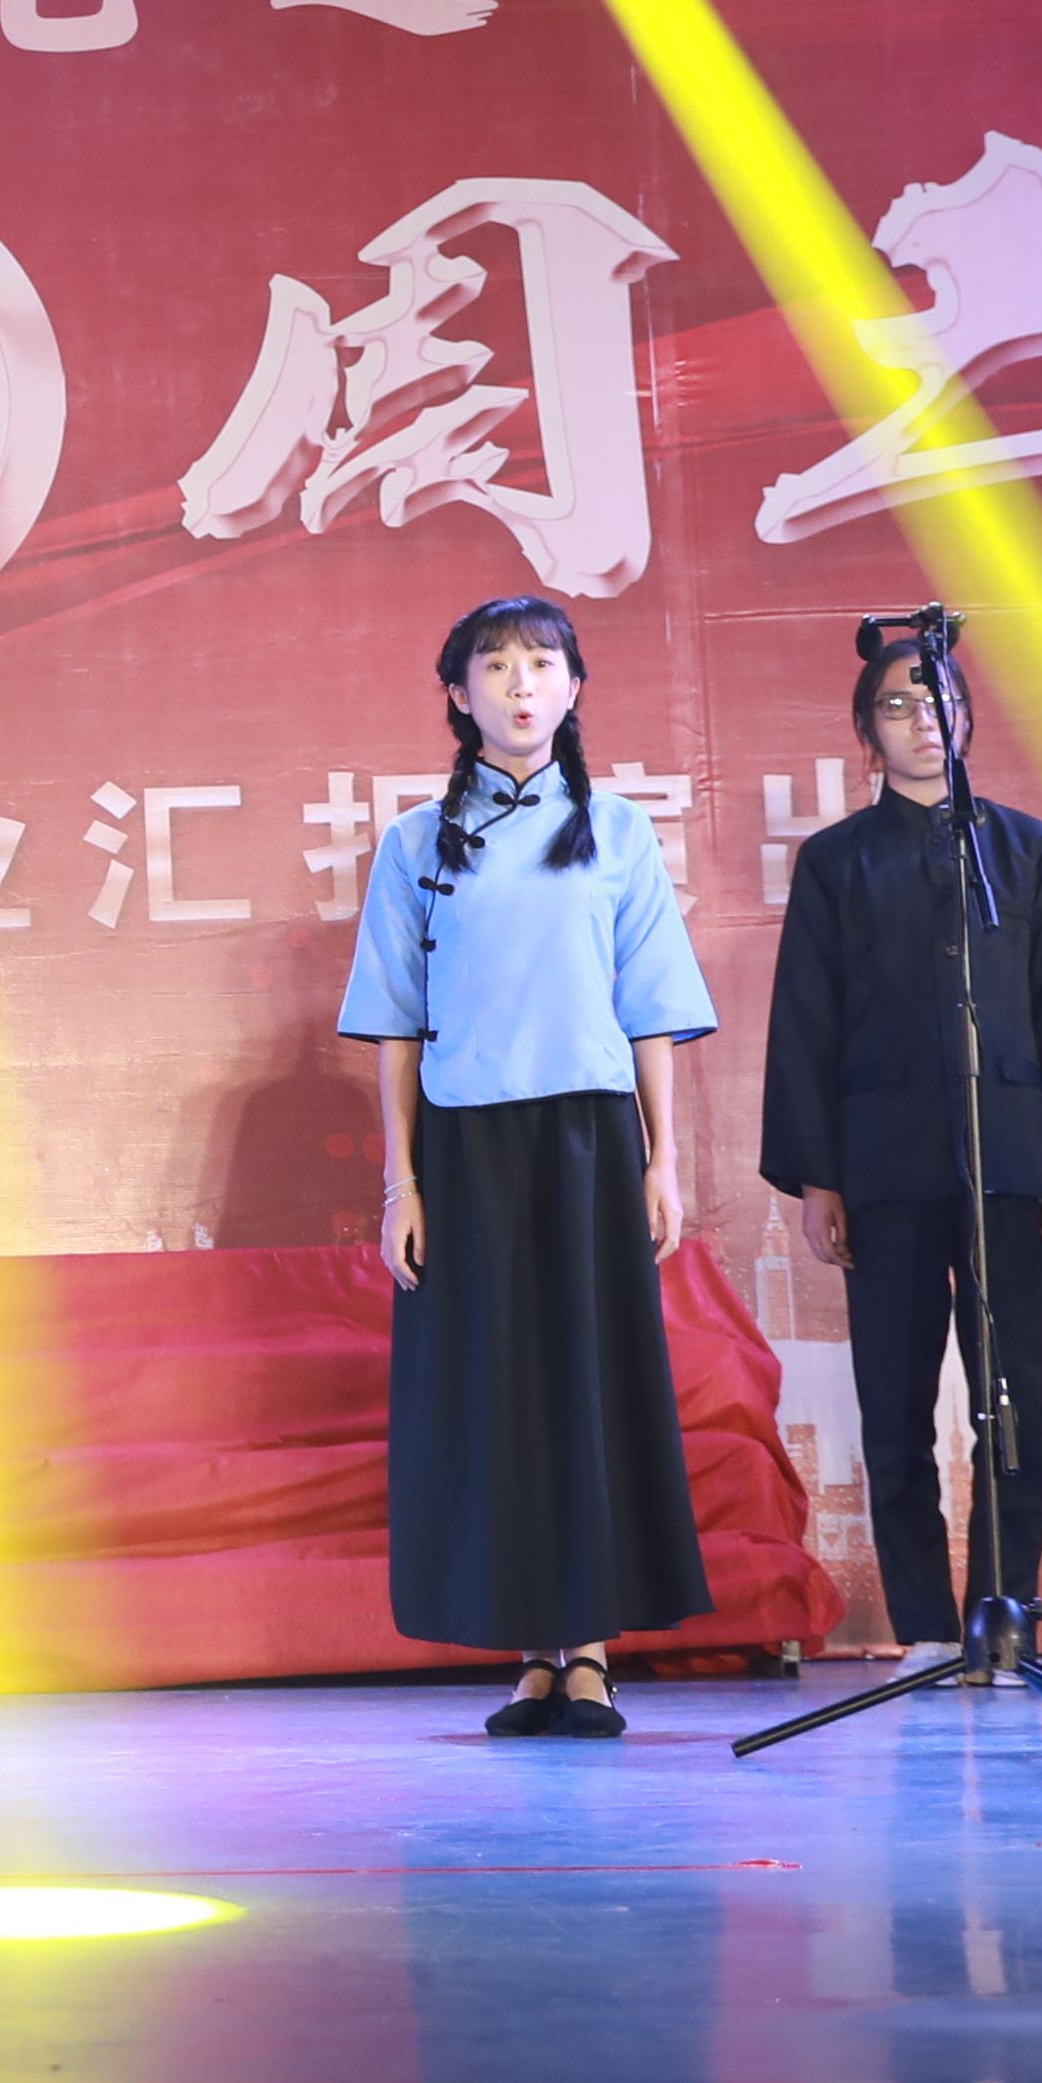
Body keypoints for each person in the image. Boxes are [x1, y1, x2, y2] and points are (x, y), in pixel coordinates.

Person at [344, 592, 719, 1741]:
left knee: (587, 1387)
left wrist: (662, 1160)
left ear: (574, 687)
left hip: (591, 1141)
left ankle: (589, 1649)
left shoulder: (619, 830)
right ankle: (530, 1654)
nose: (521, 684)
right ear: (458, 694)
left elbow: (649, 1009)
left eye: (542, 663)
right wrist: (403, 1182)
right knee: (494, 1394)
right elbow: (395, 1025)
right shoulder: (415, 842)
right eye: (496, 665)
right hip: (467, 1147)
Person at [757, 644, 1042, 1660]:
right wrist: (819, 1178)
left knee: (1008, 1403)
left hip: (1009, 1159)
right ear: (866, 731)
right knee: (894, 1406)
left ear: (968, 718)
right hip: (881, 1168)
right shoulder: (836, 862)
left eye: (940, 701)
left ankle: (1002, 1622)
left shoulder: (1024, 850)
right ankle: (926, 1631)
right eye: (898, 706)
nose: (923, 721)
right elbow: (806, 1024)